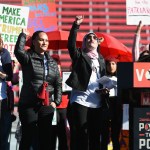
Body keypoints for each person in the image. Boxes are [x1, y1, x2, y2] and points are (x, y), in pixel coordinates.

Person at [14, 29, 62, 150]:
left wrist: (56, 102)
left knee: (46, 139)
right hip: (29, 104)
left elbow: (58, 84)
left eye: (46, 40)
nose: (45, 42)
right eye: (41, 40)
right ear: (34, 42)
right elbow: (18, 51)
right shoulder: (28, 57)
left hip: (46, 105)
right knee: (27, 137)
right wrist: (23, 35)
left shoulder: (52, 62)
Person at [66, 15, 107, 150]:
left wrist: (105, 88)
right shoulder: (79, 55)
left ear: (97, 43)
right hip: (81, 100)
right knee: (81, 135)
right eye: (88, 38)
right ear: (84, 42)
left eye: (94, 38)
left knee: (95, 135)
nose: (91, 39)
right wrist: (76, 25)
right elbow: (71, 45)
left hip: (97, 101)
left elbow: (102, 78)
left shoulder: (100, 59)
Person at [100, 56, 122, 150]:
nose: (111, 66)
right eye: (108, 64)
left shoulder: (122, 78)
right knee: (104, 136)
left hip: (117, 107)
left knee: (115, 136)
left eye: (113, 64)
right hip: (105, 106)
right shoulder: (102, 78)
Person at [50, 54, 69, 150]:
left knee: (62, 134)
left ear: (60, 66)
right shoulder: (47, 76)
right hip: (51, 107)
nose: (56, 67)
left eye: (57, 64)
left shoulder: (66, 77)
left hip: (63, 107)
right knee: (51, 134)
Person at [0, 35, 13, 150]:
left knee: (3, 133)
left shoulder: (5, 54)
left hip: (3, 98)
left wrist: (4, 76)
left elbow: (11, 77)